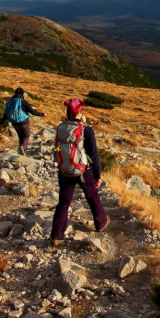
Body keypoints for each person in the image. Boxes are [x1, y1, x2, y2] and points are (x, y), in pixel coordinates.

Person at [50, 98, 109, 246]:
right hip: (83, 170)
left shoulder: (60, 128)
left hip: (64, 169)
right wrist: (97, 176)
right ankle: (101, 223)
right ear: (79, 112)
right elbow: (94, 154)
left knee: (64, 202)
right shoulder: (86, 130)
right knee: (92, 196)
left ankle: (56, 236)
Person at [1, 87, 45, 156]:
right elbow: (32, 112)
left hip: (14, 123)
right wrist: (42, 114)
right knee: (26, 135)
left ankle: (21, 152)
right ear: (22, 94)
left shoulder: (9, 102)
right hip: (24, 122)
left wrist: (1, 122)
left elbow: (6, 113)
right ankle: (23, 148)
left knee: (21, 136)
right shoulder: (23, 102)